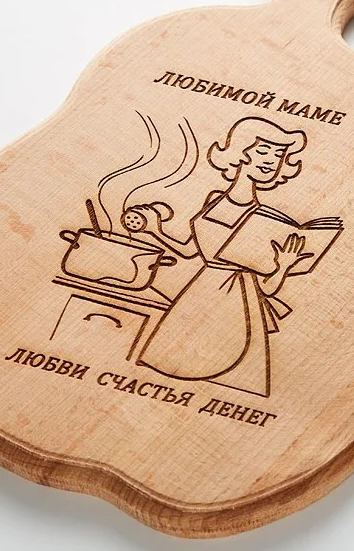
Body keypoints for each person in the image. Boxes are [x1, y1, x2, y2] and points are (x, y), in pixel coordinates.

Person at [133, 117, 311, 397]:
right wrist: (155, 230)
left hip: (239, 304)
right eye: (263, 150)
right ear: (239, 151)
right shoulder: (214, 198)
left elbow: (265, 287)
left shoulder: (263, 218)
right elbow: (189, 251)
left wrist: (283, 266)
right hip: (199, 294)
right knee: (169, 359)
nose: (271, 160)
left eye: (279, 155)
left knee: (231, 378)